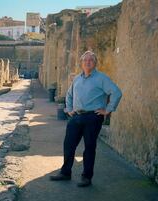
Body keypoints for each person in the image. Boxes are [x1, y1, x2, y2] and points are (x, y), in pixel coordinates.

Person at [50, 51, 122, 187]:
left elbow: (116, 92)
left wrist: (107, 110)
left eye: (91, 60)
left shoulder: (102, 78)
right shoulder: (77, 78)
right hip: (76, 116)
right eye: (85, 60)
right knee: (69, 145)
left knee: (89, 147)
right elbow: (69, 95)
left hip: (93, 117)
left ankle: (86, 177)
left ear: (95, 63)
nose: (88, 62)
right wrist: (69, 109)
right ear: (81, 63)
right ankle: (65, 173)